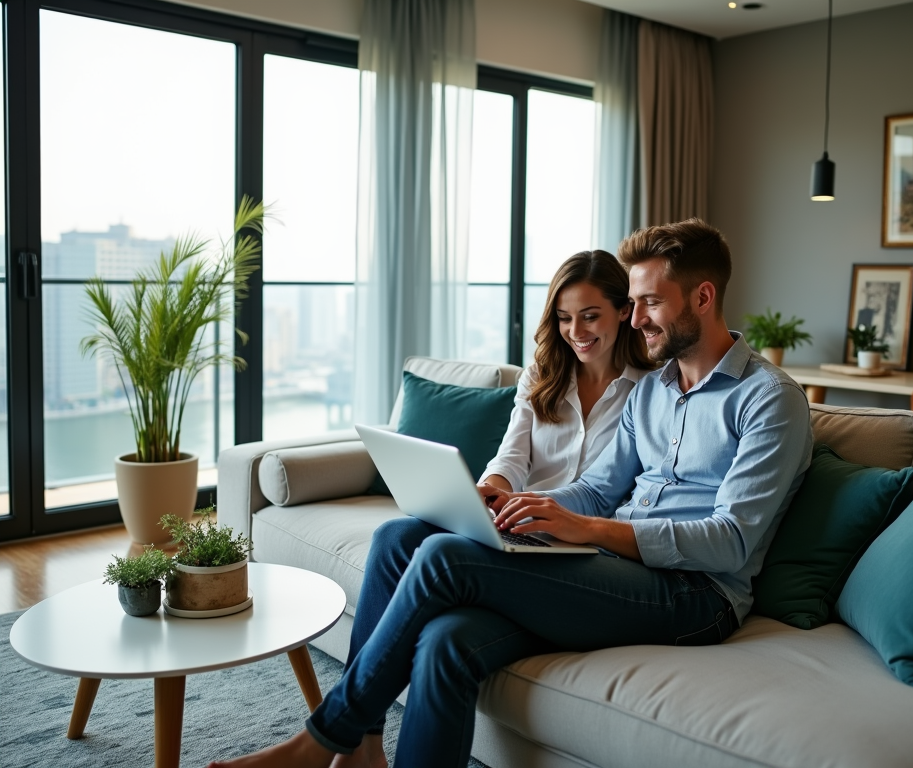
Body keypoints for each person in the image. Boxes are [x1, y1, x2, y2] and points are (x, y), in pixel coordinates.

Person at [208, 219, 813, 768]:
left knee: (445, 559)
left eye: (649, 303)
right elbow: (601, 489)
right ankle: (363, 750)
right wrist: (527, 511)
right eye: (633, 304)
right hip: (618, 564)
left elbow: (730, 542)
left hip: (696, 597)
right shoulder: (657, 389)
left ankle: (322, 740)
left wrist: (588, 530)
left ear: (703, 297)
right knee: (441, 629)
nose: (635, 319)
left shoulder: (768, 400)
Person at [480, 249, 655, 494]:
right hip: (522, 523)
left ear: (624, 310)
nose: (575, 332)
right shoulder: (538, 378)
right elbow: (511, 459)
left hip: (592, 529)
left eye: (590, 317)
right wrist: (488, 493)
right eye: (564, 318)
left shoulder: (650, 389)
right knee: (412, 529)